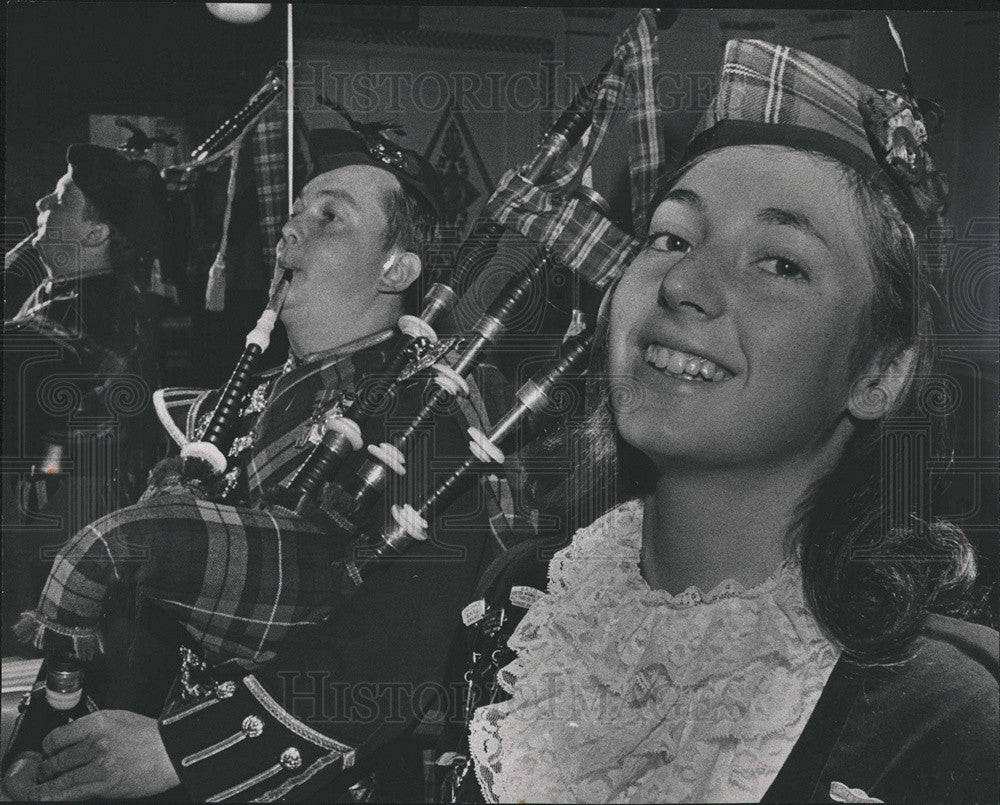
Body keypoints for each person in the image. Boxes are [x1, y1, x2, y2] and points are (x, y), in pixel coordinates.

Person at [464, 38, 998, 803]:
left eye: (779, 262)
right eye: (671, 237)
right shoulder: (516, 613)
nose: (683, 281)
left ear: (879, 372)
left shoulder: (944, 719)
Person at [2, 127, 531, 801]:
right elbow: (144, 611)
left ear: (396, 269)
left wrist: (181, 751)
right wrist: (55, 738)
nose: (289, 231)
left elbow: (384, 659)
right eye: (296, 213)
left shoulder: (430, 420)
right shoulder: (235, 405)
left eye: (329, 217)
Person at [1, 144, 165, 649]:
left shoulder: (89, 313)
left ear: (96, 234)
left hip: (51, 543)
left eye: (60, 200)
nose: (41, 206)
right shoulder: (88, 292)